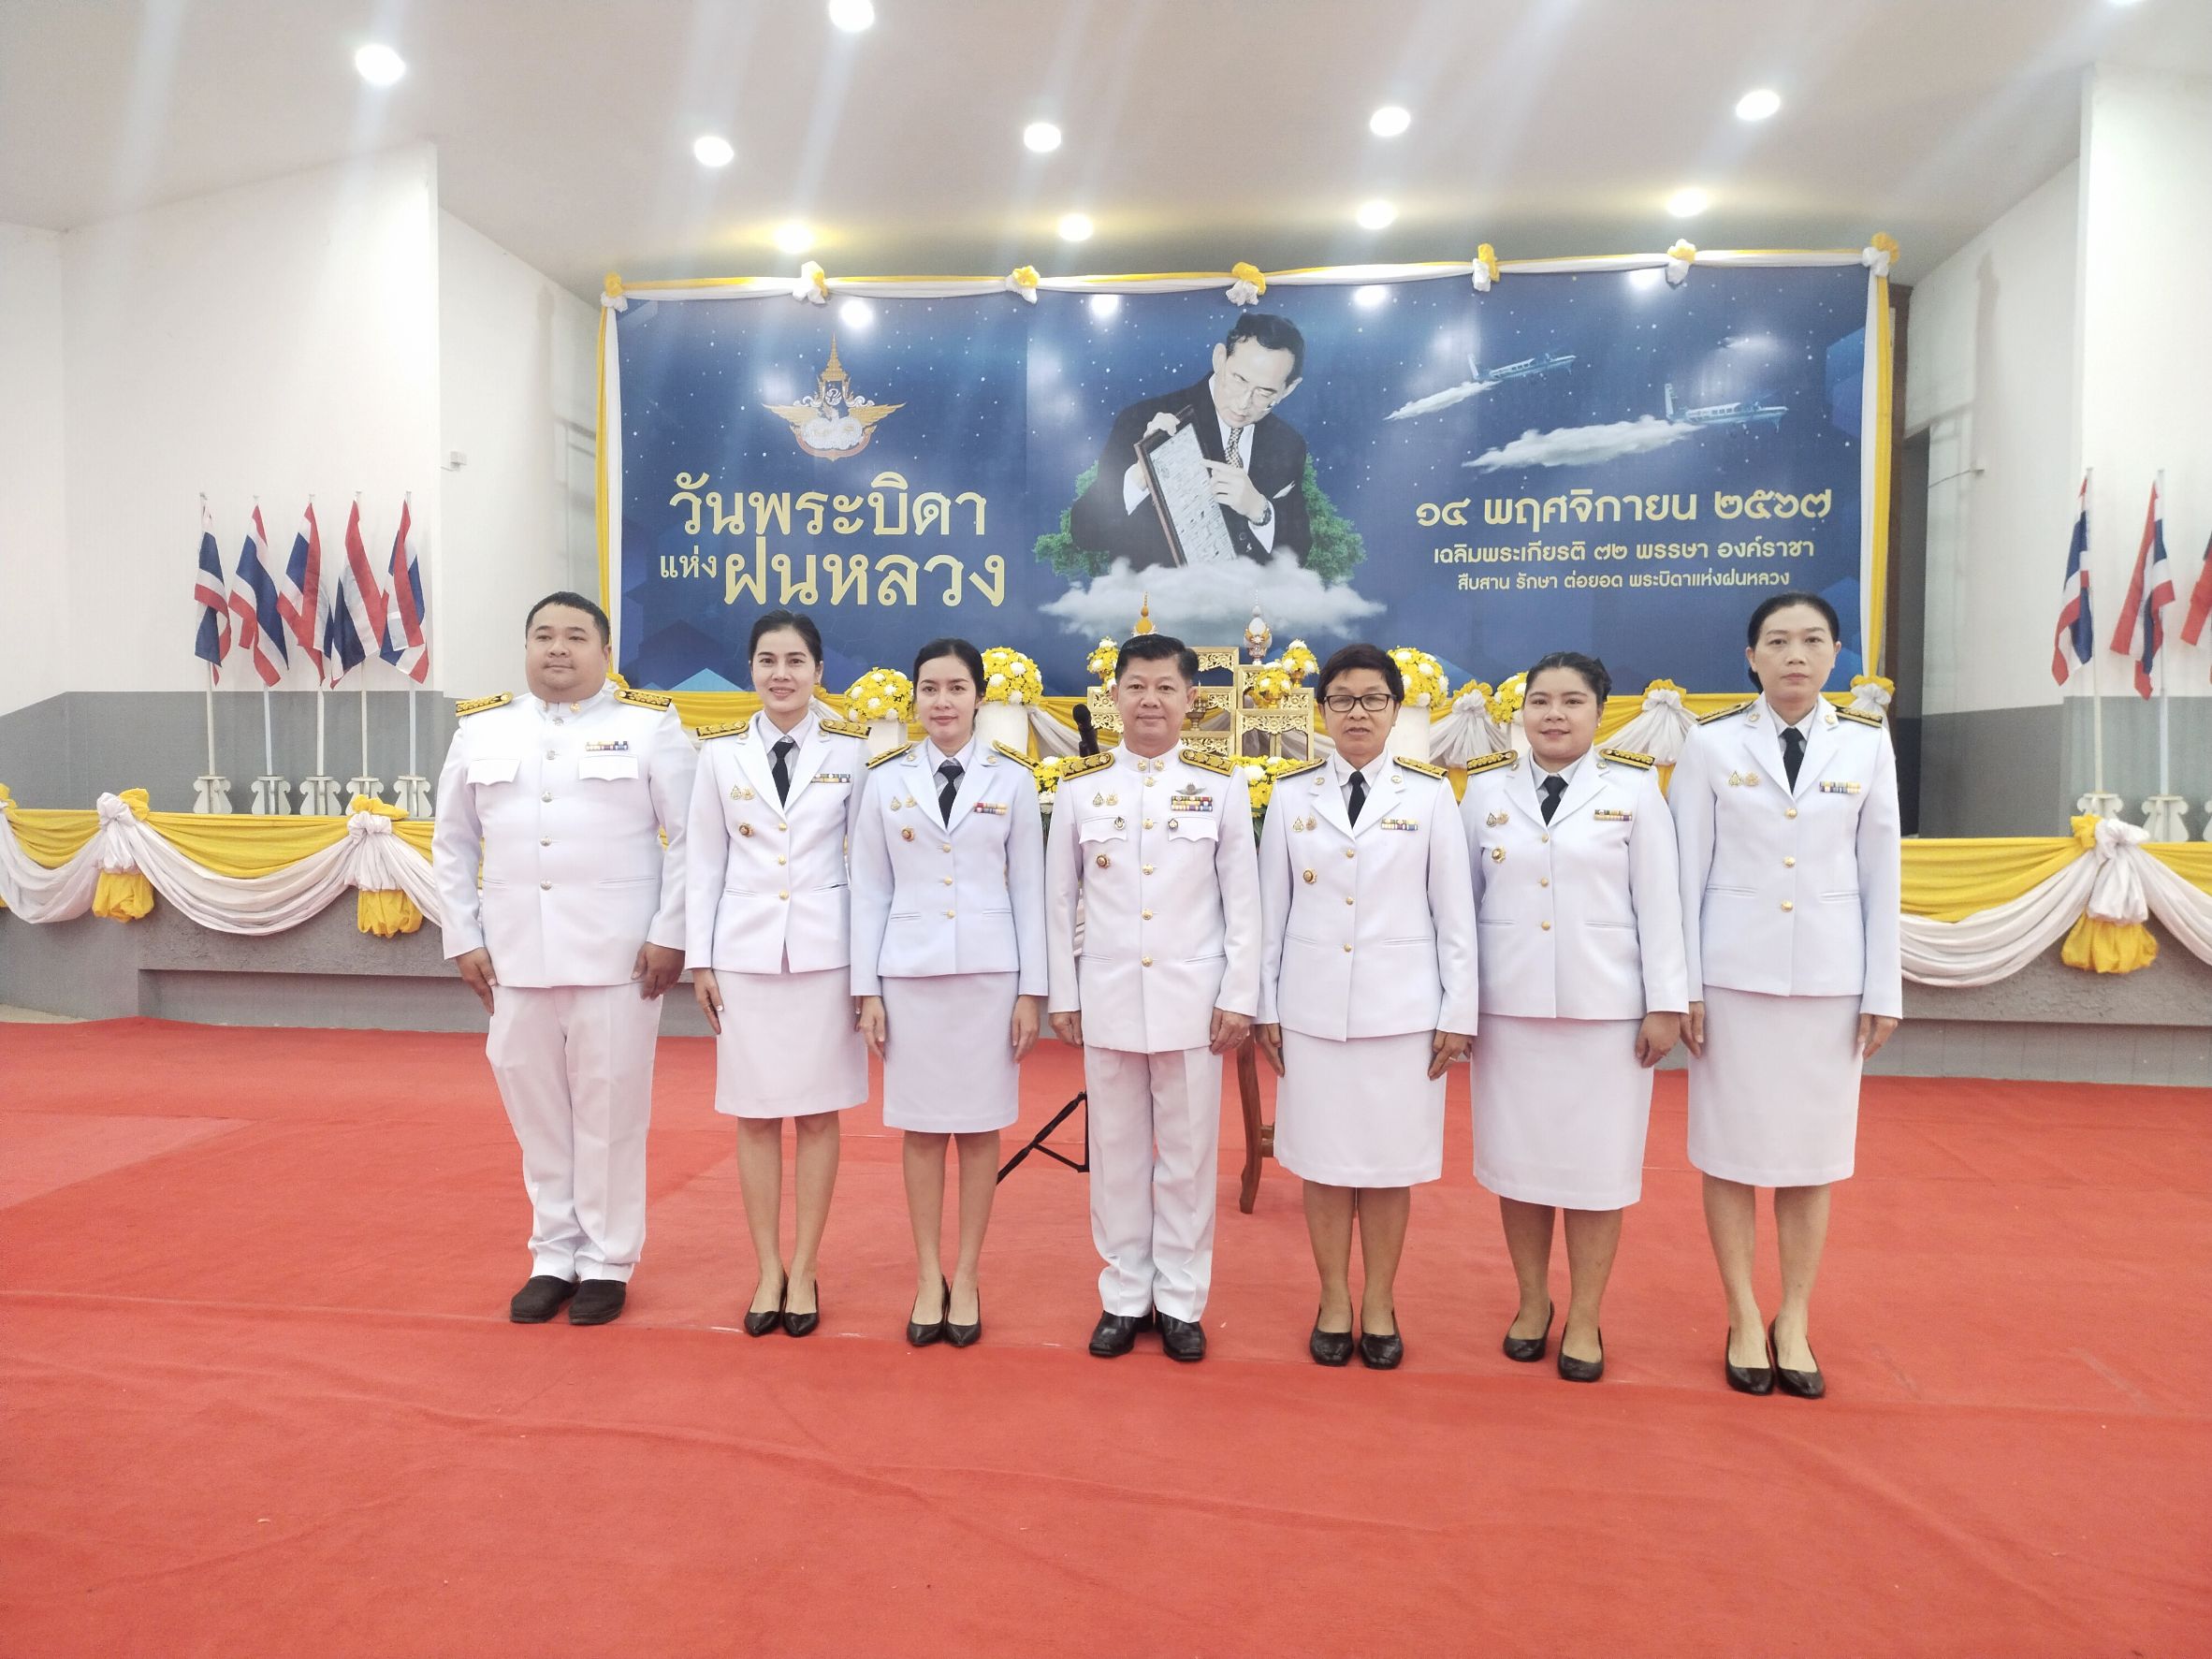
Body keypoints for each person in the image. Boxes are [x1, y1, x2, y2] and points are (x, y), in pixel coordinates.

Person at [430, 590, 695, 1328]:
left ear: (605, 652)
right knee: (537, 1111)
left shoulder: (649, 725)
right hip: (515, 956)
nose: (557, 648)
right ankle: (553, 1254)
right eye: (543, 635)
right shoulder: (483, 728)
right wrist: (463, 935)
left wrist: (671, 932)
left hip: (620, 957)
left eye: (576, 636)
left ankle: (607, 1259)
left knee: (611, 1112)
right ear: (525, 648)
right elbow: (452, 840)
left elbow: (690, 838)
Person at [1671, 591, 1902, 1398]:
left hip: (1830, 982)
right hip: (1732, 980)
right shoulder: (1710, 742)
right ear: (1752, 657)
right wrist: (1683, 984)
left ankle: (1793, 1316)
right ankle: (1742, 1312)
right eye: (1777, 641)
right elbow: (1684, 872)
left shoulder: (1866, 744)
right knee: (1730, 1153)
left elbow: (1881, 870)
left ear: (1836, 653)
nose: (1794, 655)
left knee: (1812, 1159)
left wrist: (1882, 988)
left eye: (1811, 640)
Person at [1459, 652, 1687, 1384]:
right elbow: (1460, 908)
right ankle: (1533, 1301)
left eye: (1572, 701)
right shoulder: (1484, 789)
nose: (1554, 714)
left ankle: (1586, 1313)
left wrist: (1665, 1003)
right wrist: (1459, 1006)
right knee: (1519, 1167)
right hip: (1510, 1013)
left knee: (1597, 1173)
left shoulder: (1636, 788)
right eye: (1540, 701)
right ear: (1521, 710)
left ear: (1599, 710)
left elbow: (1660, 902)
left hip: (1606, 1017)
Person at [1255, 644, 1476, 1369]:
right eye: (1342, 699)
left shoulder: (1430, 795)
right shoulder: (1291, 796)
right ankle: (1332, 1298)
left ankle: (1379, 1299)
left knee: (1387, 1165)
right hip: (1312, 1010)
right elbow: (1271, 913)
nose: (1357, 712)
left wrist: (1458, 1012)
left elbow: (1454, 915)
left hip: (1402, 1013)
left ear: (1396, 709)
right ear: (1322, 711)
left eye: (1373, 699)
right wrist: (1264, 1005)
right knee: (1323, 1162)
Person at [1044, 633, 1260, 1361]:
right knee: (1115, 1154)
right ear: (1114, 696)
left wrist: (1238, 994)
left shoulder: (1222, 786)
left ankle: (1180, 1299)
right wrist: (1064, 992)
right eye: (1136, 685)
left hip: (1193, 1001)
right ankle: (1124, 1293)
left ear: (1190, 698)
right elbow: (1058, 900)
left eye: (1166, 687)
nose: (1150, 700)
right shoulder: (1081, 788)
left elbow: (1244, 902)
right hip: (1107, 994)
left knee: (1190, 1157)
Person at [851, 637, 1047, 1347]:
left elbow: (1029, 890)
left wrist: (1032, 992)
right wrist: (866, 988)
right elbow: (869, 889)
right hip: (909, 975)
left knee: (980, 1127)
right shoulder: (884, 779)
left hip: (991, 977)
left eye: (956, 688)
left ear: (979, 697)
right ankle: (927, 1274)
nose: (942, 701)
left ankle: (967, 1274)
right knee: (924, 1129)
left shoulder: (1013, 778)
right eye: (929, 688)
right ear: (914, 698)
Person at [686, 609, 871, 1339]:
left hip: (827, 956)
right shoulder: (719, 756)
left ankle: (806, 1263)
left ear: (819, 671)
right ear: (751, 669)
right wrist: (700, 957)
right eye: (768, 660)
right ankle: (768, 1268)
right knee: (756, 1112)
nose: (781, 674)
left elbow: (872, 869)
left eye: (796, 660)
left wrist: (868, 974)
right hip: (746, 956)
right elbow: (703, 861)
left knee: (819, 1113)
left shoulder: (853, 753)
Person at [1069, 313, 1311, 569]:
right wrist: (1141, 475)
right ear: (1220, 358)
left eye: (1265, 393)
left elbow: (1298, 551)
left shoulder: (1289, 444)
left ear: (1289, 389)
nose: (1243, 403)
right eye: (1239, 379)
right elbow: (1085, 533)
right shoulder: (1138, 421)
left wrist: (1260, 511)